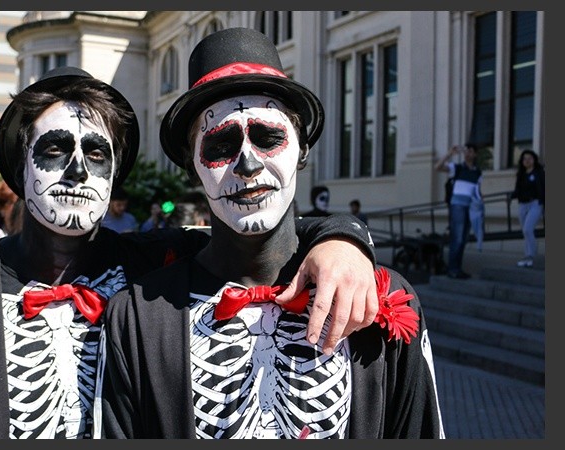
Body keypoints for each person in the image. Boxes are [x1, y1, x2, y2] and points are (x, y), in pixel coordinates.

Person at [0, 66, 378, 439]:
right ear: (20, 165)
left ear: (113, 174)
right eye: (53, 151)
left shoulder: (153, 266)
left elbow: (254, 231)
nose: (77, 171)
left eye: (96, 155)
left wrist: (344, 238)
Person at [100, 27, 444, 439]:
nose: (247, 165)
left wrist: (346, 238)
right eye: (220, 146)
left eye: (268, 138)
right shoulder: (137, 316)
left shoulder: (377, 301)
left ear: (302, 149)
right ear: (193, 167)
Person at [435, 142, 482, 279]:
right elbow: (437, 167)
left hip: (471, 206)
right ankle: (453, 269)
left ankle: (457, 268)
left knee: (464, 238)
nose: (469, 153)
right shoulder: (457, 168)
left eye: (472, 151)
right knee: (457, 237)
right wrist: (450, 153)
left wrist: (480, 205)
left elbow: (478, 191)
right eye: (467, 150)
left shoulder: (477, 171)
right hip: (457, 206)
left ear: (475, 154)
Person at [510, 149, 545, 267]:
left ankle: (531, 255)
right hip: (522, 205)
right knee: (525, 232)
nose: (527, 161)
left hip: (535, 204)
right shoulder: (521, 174)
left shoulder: (539, 173)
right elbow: (517, 190)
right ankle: (527, 257)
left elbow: (543, 189)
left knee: (527, 229)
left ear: (534, 160)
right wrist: (512, 196)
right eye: (525, 158)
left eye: (530, 158)